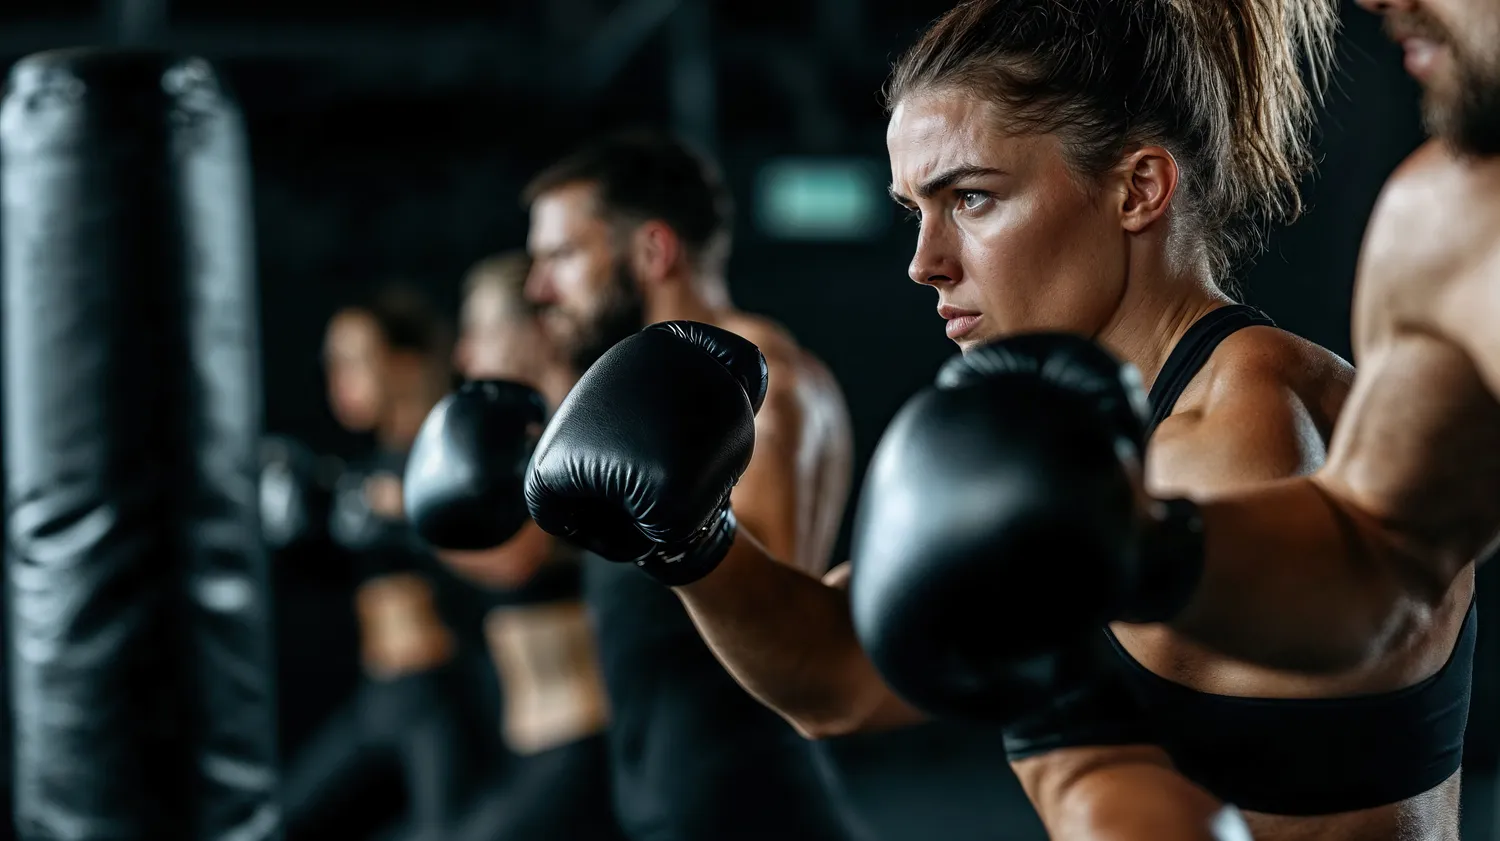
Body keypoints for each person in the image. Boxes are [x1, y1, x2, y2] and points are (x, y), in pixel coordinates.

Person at [518, 2, 1474, 841]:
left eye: (971, 198)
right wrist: (693, 543)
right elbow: (838, 677)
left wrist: (1045, 673)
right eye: (914, 211)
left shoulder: (1247, 430)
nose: (925, 261)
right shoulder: (1102, 439)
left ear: (1139, 188)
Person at [517, 132, 859, 841]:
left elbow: (778, 616)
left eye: (562, 256)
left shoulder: (766, 386)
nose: (539, 288)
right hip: (671, 795)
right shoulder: (647, 406)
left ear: (652, 251)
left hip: (748, 804)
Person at [422, 252, 626, 841]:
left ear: (534, 328)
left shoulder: (576, 422)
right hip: (532, 740)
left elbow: (517, 559)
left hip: (582, 739)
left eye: (483, 331)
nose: (464, 355)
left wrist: (402, 522)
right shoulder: (521, 431)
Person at [283, 286, 496, 841]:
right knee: (281, 820)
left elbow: (498, 569)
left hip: (439, 695)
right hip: (377, 696)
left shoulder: (449, 459)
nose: (339, 380)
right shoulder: (362, 472)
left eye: (354, 360)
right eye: (333, 364)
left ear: (404, 362)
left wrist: (407, 512)